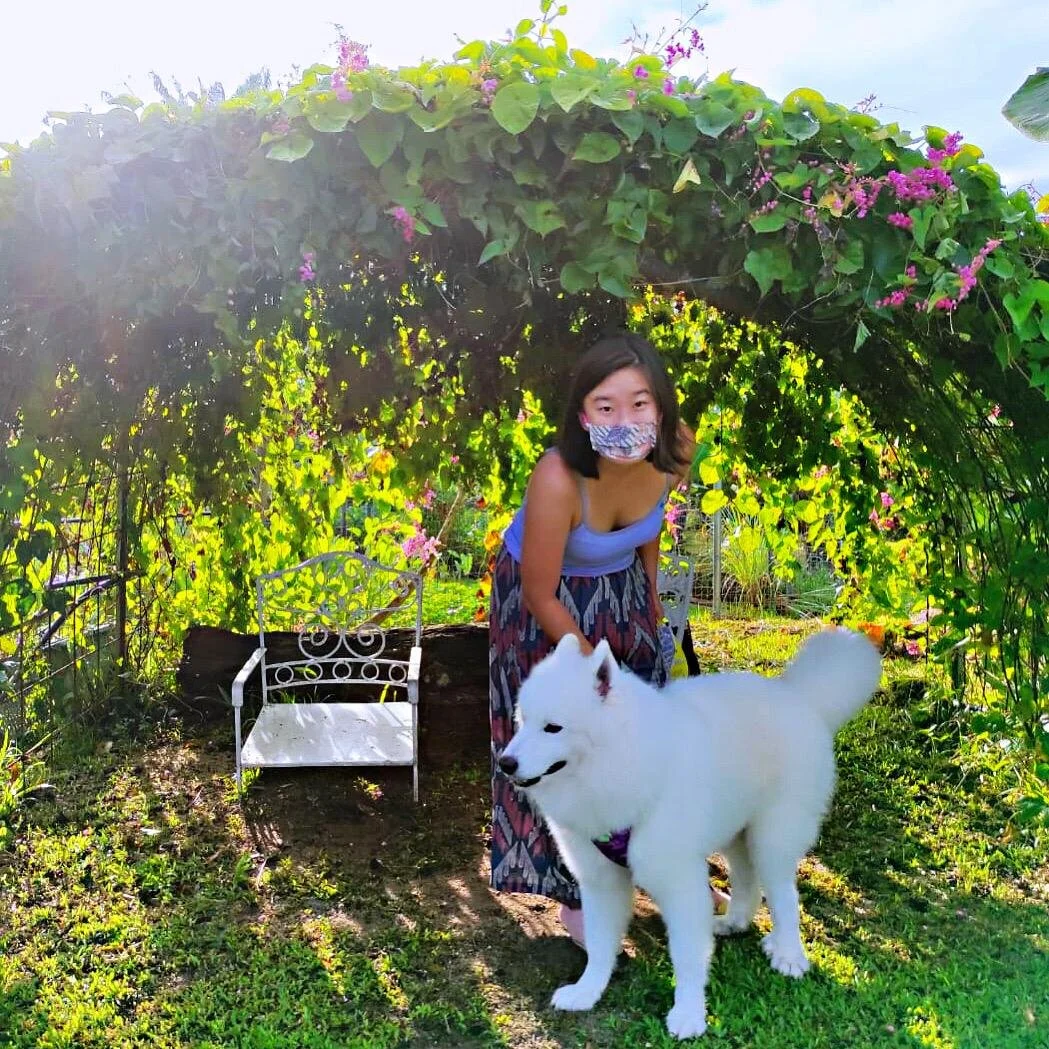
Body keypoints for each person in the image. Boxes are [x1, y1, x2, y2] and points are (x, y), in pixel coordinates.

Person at [489, 331, 719, 947]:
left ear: (661, 407)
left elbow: (650, 526)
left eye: (640, 403)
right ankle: (576, 892)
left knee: (646, 731)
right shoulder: (557, 478)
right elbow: (540, 592)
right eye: (606, 405)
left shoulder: (676, 449)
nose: (625, 420)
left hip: (620, 584)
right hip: (542, 599)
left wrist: (648, 592)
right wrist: (592, 668)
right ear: (583, 414)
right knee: (560, 738)